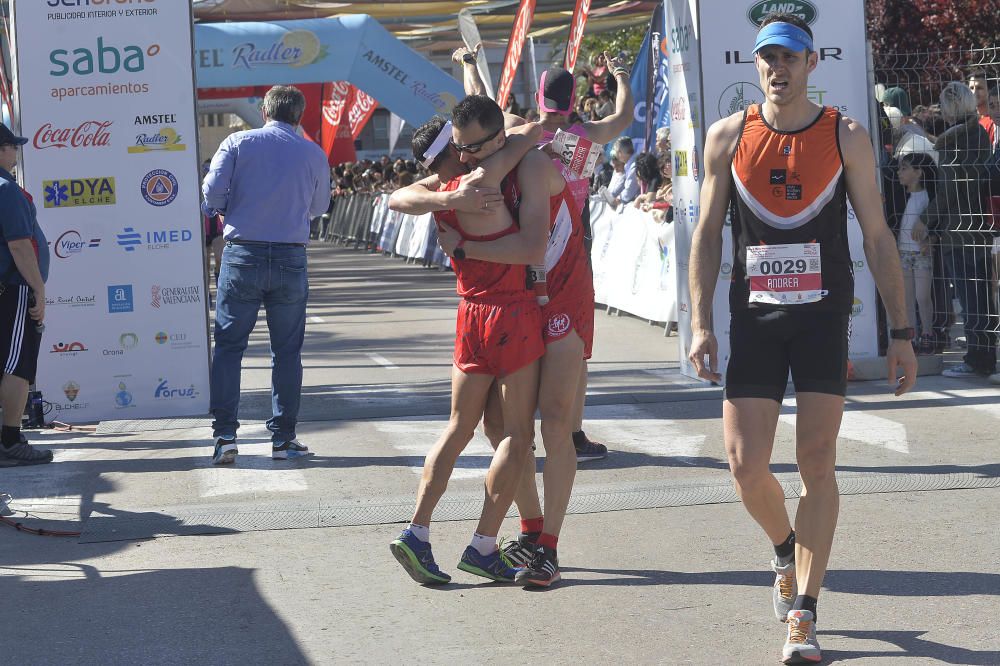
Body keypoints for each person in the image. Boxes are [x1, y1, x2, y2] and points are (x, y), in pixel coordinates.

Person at [687, 14, 918, 664]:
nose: (777, 68)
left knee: (817, 459)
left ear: (812, 62)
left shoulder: (844, 134)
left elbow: (876, 235)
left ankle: (805, 614)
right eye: (767, 58)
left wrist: (901, 333)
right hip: (754, 318)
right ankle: (786, 548)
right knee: (745, 464)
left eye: (789, 57)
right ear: (756, 64)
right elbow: (706, 235)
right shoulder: (728, 136)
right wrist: (701, 320)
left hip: (821, 317)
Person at [386, 111, 545, 585]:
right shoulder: (482, 176)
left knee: (459, 427)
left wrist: (446, 197)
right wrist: (508, 135)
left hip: (470, 314)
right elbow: (526, 132)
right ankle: (483, 545)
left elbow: (398, 197)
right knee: (517, 436)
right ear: (457, 150)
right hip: (509, 310)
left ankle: (416, 531)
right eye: (464, 145)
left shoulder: (438, 192)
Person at [455, 50, 634, 463]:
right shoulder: (586, 134)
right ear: (574, 99)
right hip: (571, 251)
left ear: (539, 97)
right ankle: (571, 434)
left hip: (525, 248)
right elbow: (624, 116)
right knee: (573, 347)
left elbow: (481, 100)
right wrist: (621, 74)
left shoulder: (520, 130)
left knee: (524, 345)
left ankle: (523, 436)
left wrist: (467, 63)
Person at [202, 85, 331, 465]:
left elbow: (211, 194)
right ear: (299, 115)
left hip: (243, 253)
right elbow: (320, 205)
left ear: (264, 111)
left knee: (229, 348)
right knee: (287, 353)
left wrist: (231, 207)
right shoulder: (313, 151)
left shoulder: (237, 142)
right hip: (291, 256)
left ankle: (225, 436)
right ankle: (283, 438)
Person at [916, 81, 997, 378]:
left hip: (958, 229)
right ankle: (983, 354)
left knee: (969, 298)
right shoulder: (979, 133)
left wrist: (925, 219)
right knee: (981, 298)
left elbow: (949, 190)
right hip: (980, 224)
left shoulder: (951, 142)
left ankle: (977, 359)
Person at [0, 124, 52, 467]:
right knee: (17, 366)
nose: (16, 153)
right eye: (13, 147)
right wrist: (38, 288)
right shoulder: (6, 190)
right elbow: (19, 244)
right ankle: (9, 441)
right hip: (12, 288)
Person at [896, 152, 937, 353]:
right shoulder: (899, 196)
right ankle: (910, 336)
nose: (899, 172)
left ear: (919, 173)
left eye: (904, 168)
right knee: (908, 298)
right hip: (902, 253)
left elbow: (937, 223)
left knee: (922, 296)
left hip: (921, 253)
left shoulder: (930, 197)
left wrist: (932, 239)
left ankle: (927, 333)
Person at [607, 136, 640, 206]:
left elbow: (629, 192)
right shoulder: (631, 164)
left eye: (616, 152)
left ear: (620, 152)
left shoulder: (634, 166)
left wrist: (618, 199)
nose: (616, 155)